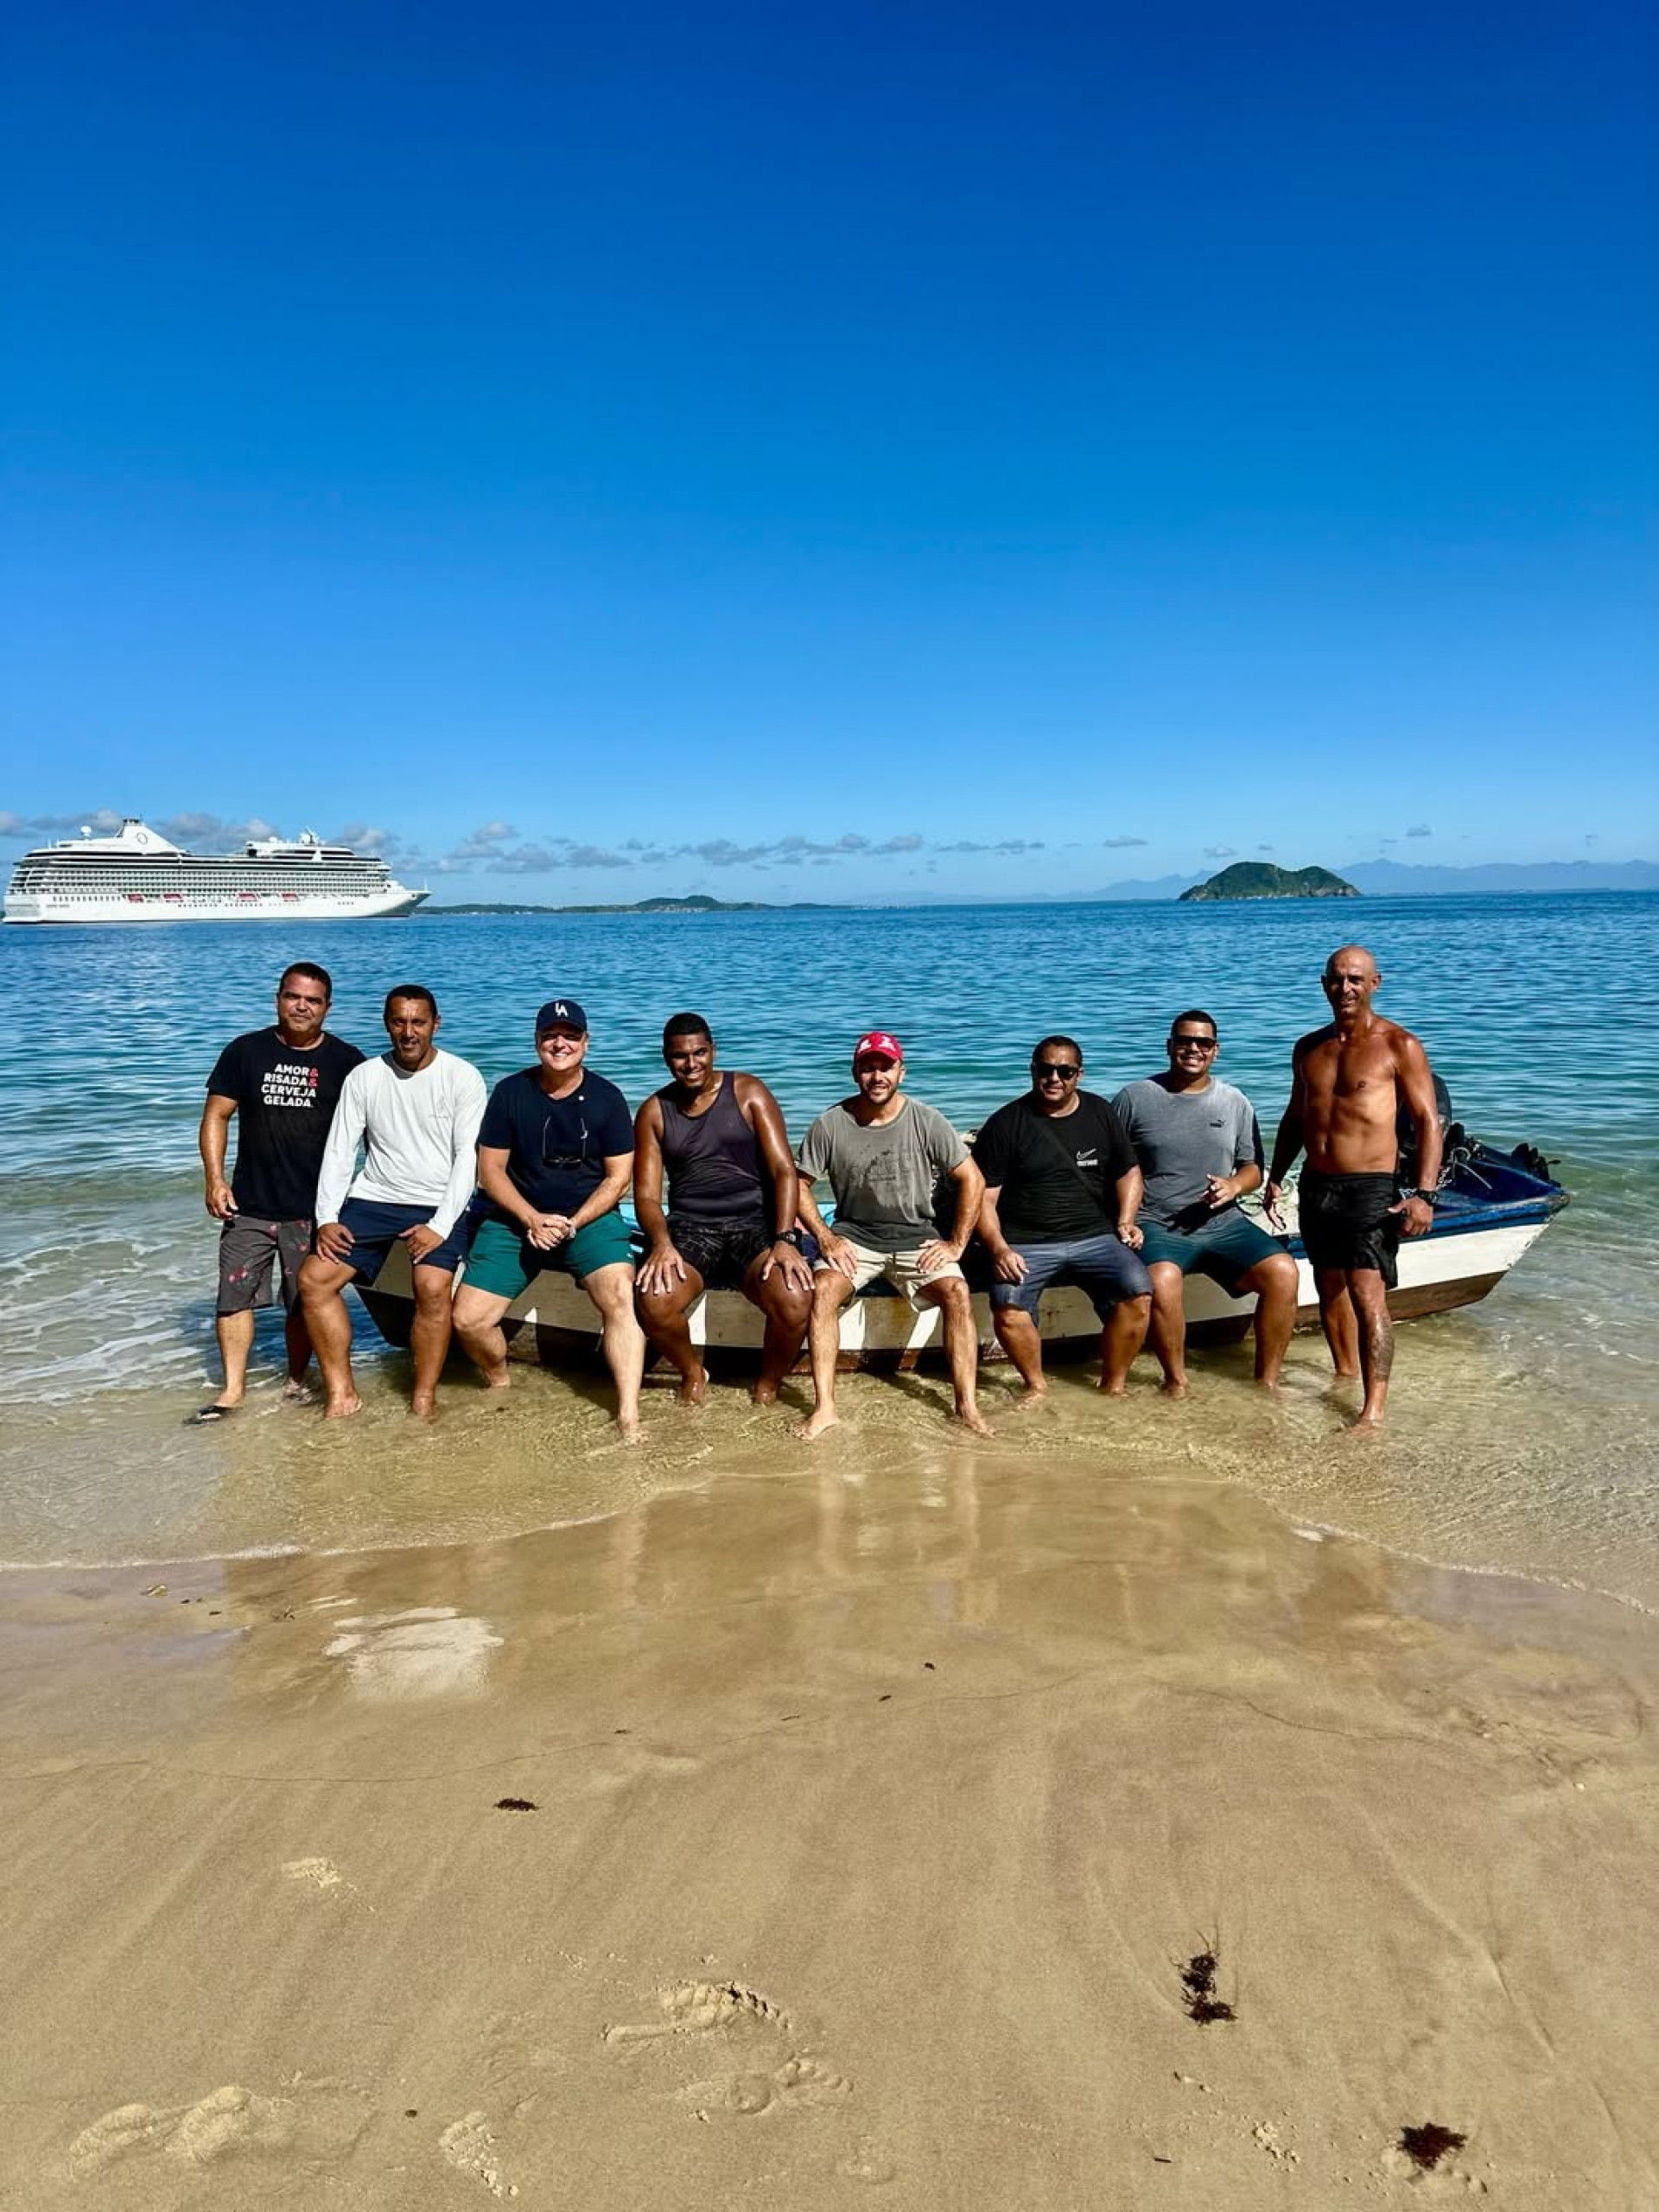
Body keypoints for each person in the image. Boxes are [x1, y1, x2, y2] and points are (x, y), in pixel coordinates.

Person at [449, 997, 645, 1440]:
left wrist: (573, 1222)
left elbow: (619, 1180)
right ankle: (500, 1380)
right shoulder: (511, 1092)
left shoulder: (608, 1098)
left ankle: (629, 1415)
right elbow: (491, 1172)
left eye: (570, 1035)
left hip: (589, 1219)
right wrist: (531, 1218)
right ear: (537, 1041)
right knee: (468, 1319)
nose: (560, 1043)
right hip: (516, 1218)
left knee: (618, 1296)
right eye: (550, 1036)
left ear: (586, 1043)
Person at [1264, 945, 1442, 1431]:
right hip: (1319, 1185)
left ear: (1375, 983)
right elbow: (1296, 1116)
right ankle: (1344, 1375)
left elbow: (1428, 1122)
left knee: (1368, 1296)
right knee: (1329, 1290)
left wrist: (1424, 1195)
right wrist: (1276, 1175)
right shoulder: (1309, 1048)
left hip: (1371, 1187)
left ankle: (1373, 1409)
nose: (1346, 988)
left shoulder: (1398, 1045)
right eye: (1338, 979)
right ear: (1324, 984)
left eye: (1356, 979)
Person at [298, 986, 486, 1420]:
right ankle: (342, 1395)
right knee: (314, 1280)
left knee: (433, 1287)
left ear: (435, 1024)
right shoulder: (364, 1077)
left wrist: (440, 1225)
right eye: (399, 1022)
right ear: (386, 1023)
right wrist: (326, 1218)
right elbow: (340, 1151)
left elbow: (467, 1161)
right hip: (375, 1198)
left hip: (440, 1201)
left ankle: (423, 1398)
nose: (408, 1032)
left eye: (418, 1022)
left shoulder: (463, 1077)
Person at [792, 1032, 990, 1440]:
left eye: (885, 1067)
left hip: (916, 1238)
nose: (877, 1076)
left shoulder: (927, 1120)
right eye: (868, 1067)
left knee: (957, 1293)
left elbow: (972, 1178)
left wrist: (955, 1243)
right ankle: (825, 1408)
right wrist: (826, 1239)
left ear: (902, 1072)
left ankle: (966, 1406)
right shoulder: (831, 1123)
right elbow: (798, 1184)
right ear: (855, 1073)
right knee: (824, 1289)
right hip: (854, 1238)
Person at [194, 963, 364, 1422]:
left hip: (313, 1210)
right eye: (293, 996)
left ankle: (295, 1378)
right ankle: (231, 1390)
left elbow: (377, 1130)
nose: (301, 1006)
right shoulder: (245, 1052)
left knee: (305, 1299)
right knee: (233, 1296)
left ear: (328, 1007)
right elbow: (216, 1116)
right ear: (278, 998)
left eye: (313, 1000)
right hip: (248, 1203)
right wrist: (214, 1178)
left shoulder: (348, 1063)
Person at [1113, 1011, 1300, 1395]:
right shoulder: (1136, 1097)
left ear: (1216, 1051)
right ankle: (1175, 1382)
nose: (1193, 1049)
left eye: (1204, 1043)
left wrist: (1234, 1186)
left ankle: (1267, 1382)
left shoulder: (1234, 1101)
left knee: (1284, 1272)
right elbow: (1110, 1166)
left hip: (1223, 1224)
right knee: (1163, 1280)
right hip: (1157, 1223)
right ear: (1169, 1046)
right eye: (1185, 1041)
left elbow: (1252, 1169)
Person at [632, 1014, 815, 1406]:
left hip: (755, 1225)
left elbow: (785, 1171)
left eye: (700, 1052)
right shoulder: (653, 1111)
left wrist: (784, 1239)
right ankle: (692, 1372)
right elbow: (646, 1196)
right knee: (653, 1300)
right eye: (680, 1056)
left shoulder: (748, 1092)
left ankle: (768, 1382)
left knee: (797, 1299)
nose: (691, 1063)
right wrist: (661, 1243)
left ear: (713, 1050)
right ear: (666, 1058)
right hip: (692, 1229)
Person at [973, 1036, 1153, 1401]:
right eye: (1045, 1069)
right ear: (1033, 1071)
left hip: (1096, 1236)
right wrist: (999, 1250)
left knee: (1139, 1292)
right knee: (1008, 1307)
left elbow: (1129, 1172)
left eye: (1065, 1071)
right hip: (1026, 1242)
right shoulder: (1006, 1124)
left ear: (1079, 1075)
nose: (1054, 1078)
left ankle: (1113, 1385)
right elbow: (982, 1200)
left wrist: (1126, 1221)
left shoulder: (1101, 1113)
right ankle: (1036, 1388)